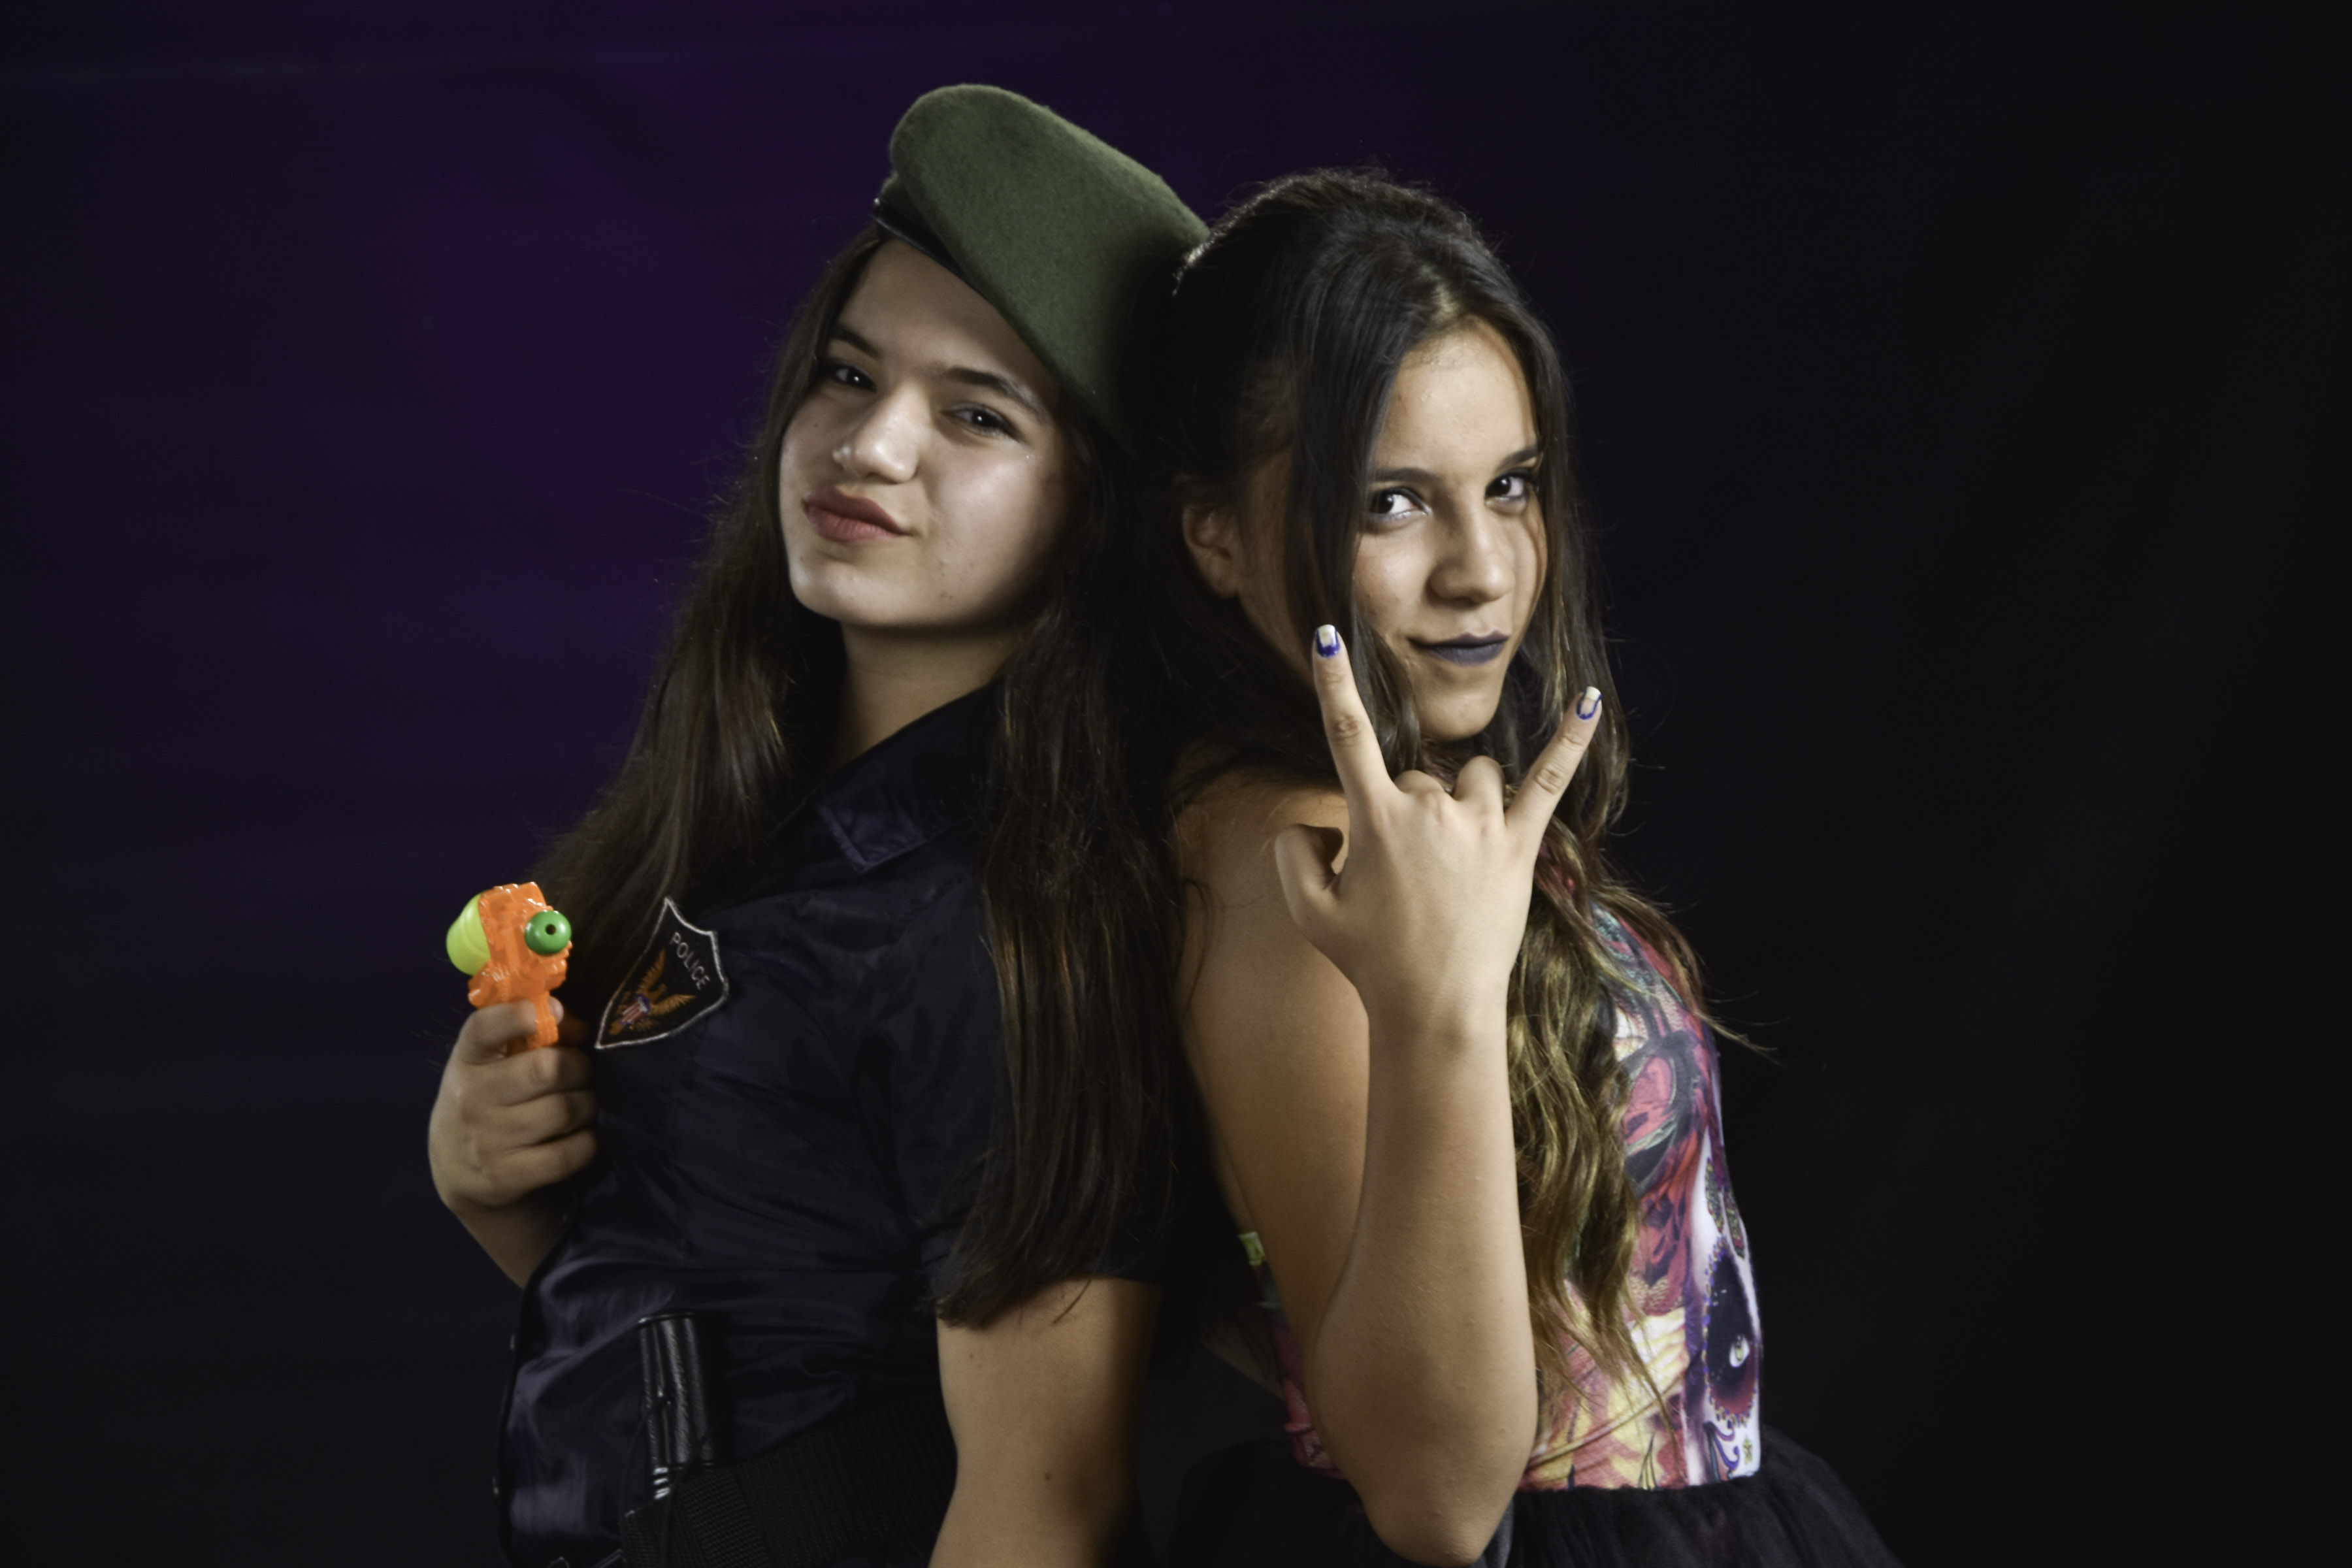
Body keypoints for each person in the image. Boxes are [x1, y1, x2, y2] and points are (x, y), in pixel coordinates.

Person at [425, 86, 1205, 1568]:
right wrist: (494, 1185)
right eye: (849, 374)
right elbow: (755, 1323)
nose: (871, 444)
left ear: (1094, 505)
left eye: (977, 414)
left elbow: (1047, 1504)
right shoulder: (750, 814)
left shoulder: (995, 916)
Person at [1133, 171, 1903, 1567]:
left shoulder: (1407, 816)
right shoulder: (1301, 864)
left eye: (1511, 486)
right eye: (1391, 504)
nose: (1482, 569)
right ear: (1216, 536)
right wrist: (1435, 1009)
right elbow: (1435, 1497)